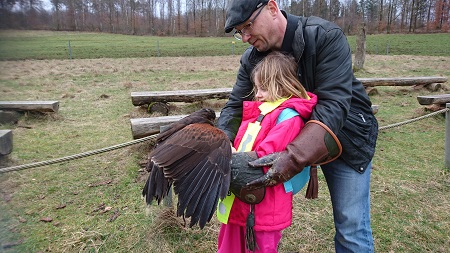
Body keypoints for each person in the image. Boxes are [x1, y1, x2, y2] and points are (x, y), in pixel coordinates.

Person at [217, 1, 379, 252]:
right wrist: (223, 142)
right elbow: (235, 106)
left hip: (347, 139)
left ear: (272, 8)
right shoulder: (251, 58)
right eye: (240, 31)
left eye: (248, 26)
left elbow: (334, 105)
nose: (245, 37)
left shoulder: (324, 36)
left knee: (351, 225)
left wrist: (292, 158)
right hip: (285, 146)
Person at [217, 51, 318, 253]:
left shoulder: (289, 118)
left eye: (263, 88)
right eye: (257, 88)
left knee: (260, 247)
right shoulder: (263, 111)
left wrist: (228, 162)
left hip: (263, 205)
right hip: (241, 196)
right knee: (230, 247)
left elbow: (265, 159)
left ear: (281, 86)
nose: (258, 94)